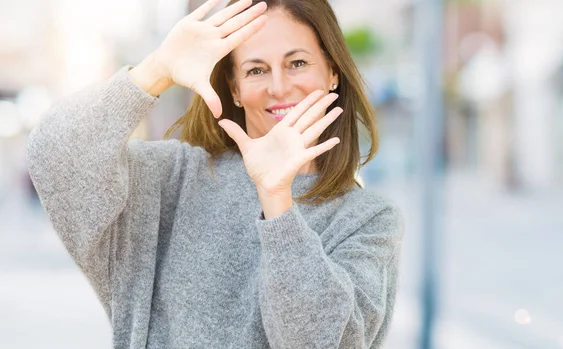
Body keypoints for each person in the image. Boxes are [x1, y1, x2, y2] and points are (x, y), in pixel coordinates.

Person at [26, 0, 404, 348]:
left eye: (298, 63)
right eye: (256, 69)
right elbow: (54, 155)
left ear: (333, 73)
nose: (278, 86)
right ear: (235, 89)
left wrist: (276, 198)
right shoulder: (170, 178)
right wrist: (156, 70)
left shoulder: (369, 221)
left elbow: (317, 341)